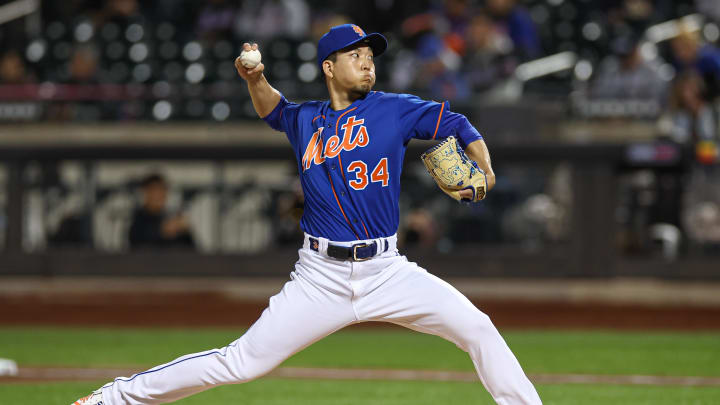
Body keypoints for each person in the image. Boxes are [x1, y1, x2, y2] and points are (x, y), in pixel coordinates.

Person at [72, 24, 541, 405]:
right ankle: (115, 398)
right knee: (241, 363)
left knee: (477, 327)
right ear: (329, 67)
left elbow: (457, 123)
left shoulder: (394, 110)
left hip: (387, 271)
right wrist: (254, 78)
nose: (366, 61)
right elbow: (272, 108)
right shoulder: (305, 120)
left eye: (371, 56)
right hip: (319, 277)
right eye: (355, 54)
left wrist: (485, 164)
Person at [128, 173, 195, 250]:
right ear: (145, 192)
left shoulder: (171, 216)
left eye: (162, 189)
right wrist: (162, 231)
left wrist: (184, 231)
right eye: (154, 190)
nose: (159, 194)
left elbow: (192, 249)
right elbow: (136, 241)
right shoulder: (139, 217)